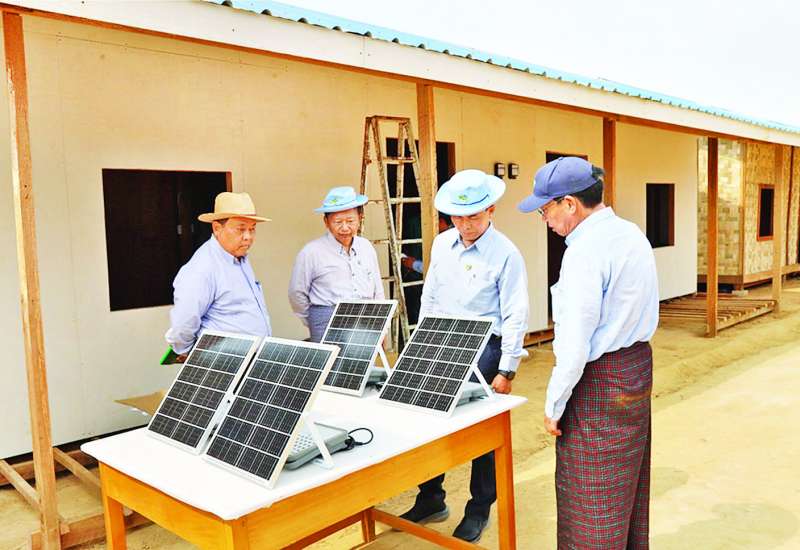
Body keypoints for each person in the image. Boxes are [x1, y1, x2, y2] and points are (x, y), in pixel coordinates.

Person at [518, 156, 659, 549]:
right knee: (628, 482)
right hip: (635, 367)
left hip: (599, 379)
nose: (544, 219)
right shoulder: (631, 233)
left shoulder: (583, 251)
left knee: (590, 494)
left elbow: (575, 342)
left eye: (545, 209)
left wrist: (555, 404)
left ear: (569, 204)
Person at [400, 169, 529, 543]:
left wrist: (507, 368)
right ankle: (430, 498)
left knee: (480, 431)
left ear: (491, 210)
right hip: (440, 340)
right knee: (428, 420)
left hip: (484, 347)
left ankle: (479, 510)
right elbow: (431, 295)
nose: (465, 225)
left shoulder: (506, 253)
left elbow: (515, 312)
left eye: (473, 216)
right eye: (457, 217)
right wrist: (421, 344)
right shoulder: (442, 244)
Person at [165, 192, 272, 357]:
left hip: (252, 357)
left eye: (252, 229)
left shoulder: (240, 257)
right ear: (217, 228)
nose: (248, 237)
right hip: (223, 361)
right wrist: (188, 352)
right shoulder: (202, 268)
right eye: (241, 229)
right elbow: (183, 324)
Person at [288, 186, 384, 342]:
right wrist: (315, 320)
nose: (345, 228)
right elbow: (296, 293)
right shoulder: (311, 252)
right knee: (331, 359)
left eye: (350, 221)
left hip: (365, 320)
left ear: (360, 218)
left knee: (363, 358)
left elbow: (377, 289)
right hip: (326, 321)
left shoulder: (366, 247)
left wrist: (382, 325)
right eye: (338, 222)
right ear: (326, 222)